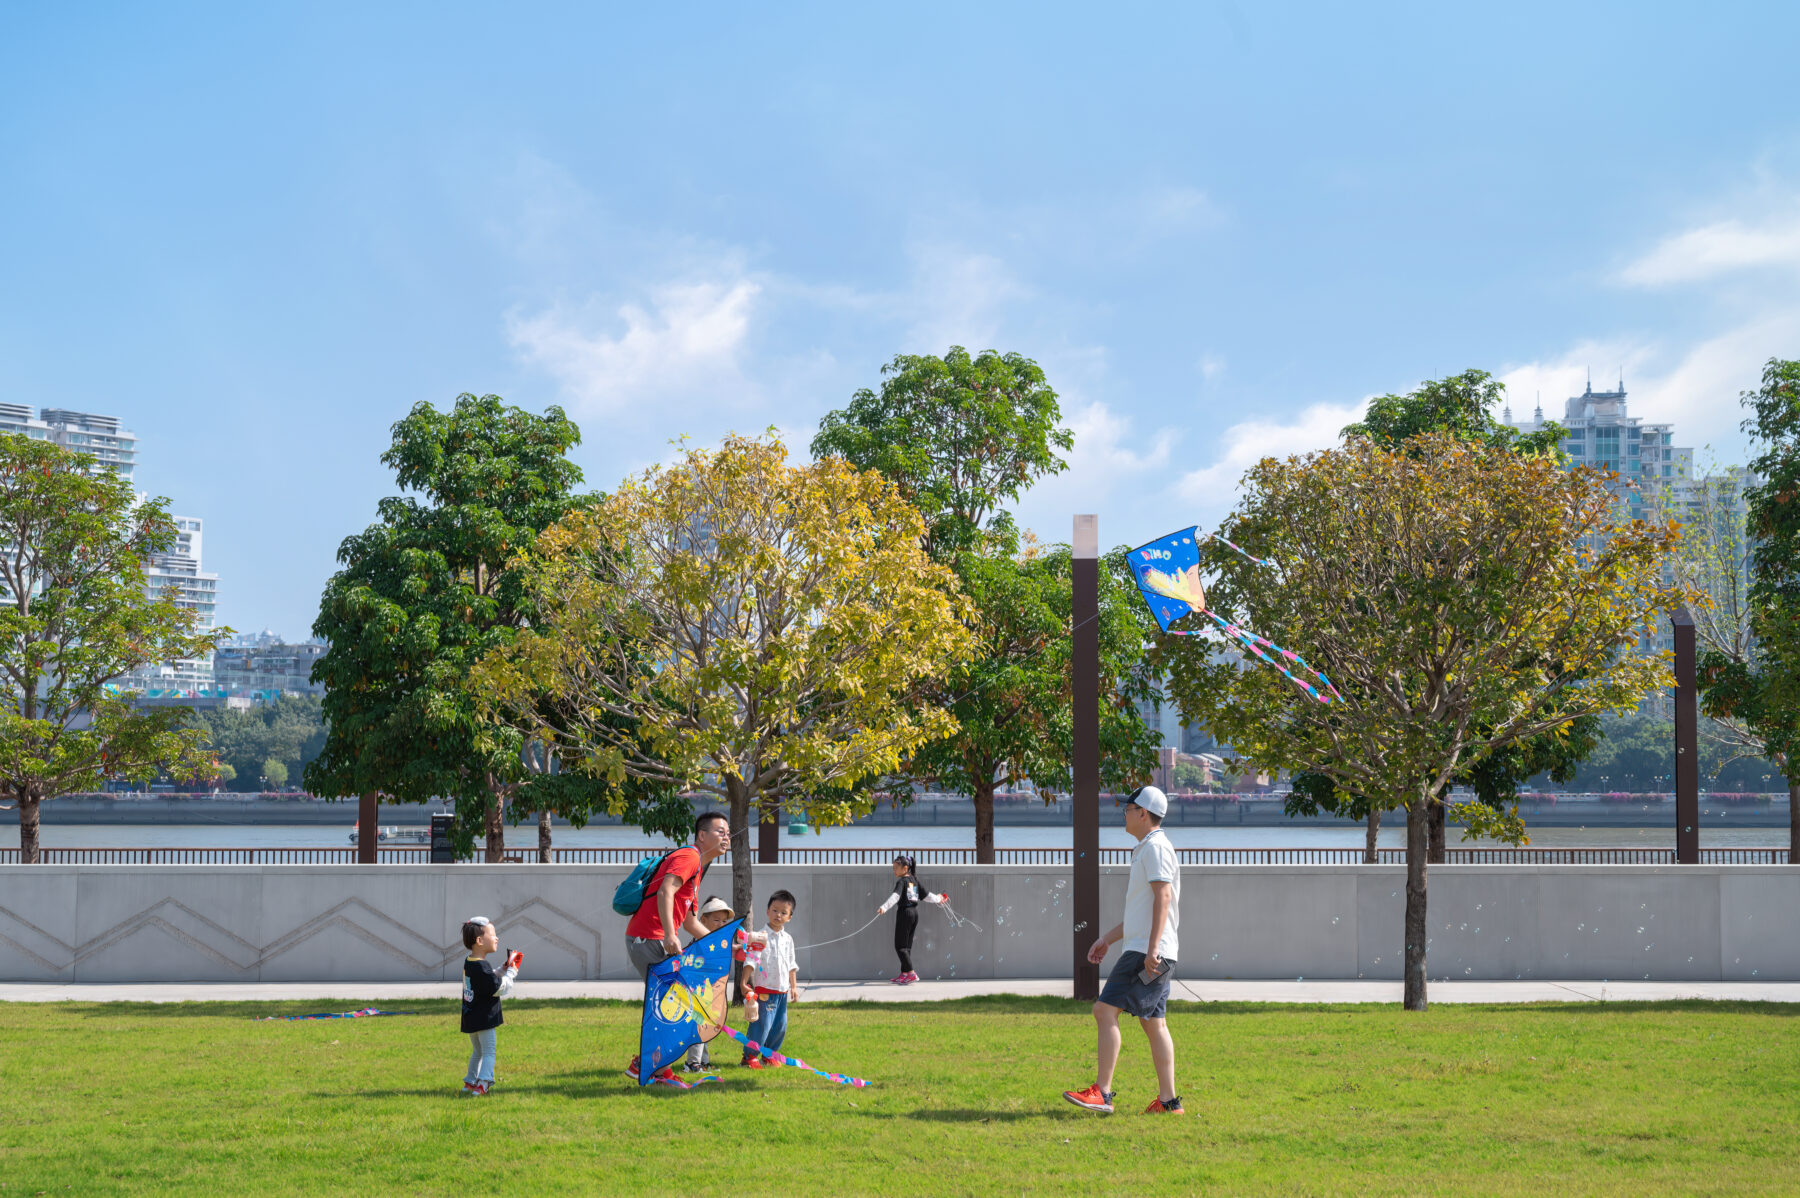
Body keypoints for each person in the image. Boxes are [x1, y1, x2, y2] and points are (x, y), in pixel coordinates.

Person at [1062, 786, 1184, 1115]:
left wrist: (1151, 949)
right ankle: (1168, 1103)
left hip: (1147, 952)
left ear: (1143, 813)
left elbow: (1163, 898)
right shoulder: (1149, 848)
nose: (1124, 813)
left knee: (1104, 1011)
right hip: (1153, 950)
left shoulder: (1155, 848)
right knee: (1153, 1022)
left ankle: (1102, 1093)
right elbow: (1142, 912)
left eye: (1128, 808)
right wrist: (1108, 939)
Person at [624, 810, 731, 1082]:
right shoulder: (690, 856)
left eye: (728, 832)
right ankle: (653, 1069)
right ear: (702, 836)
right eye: (720, 831)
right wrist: (669, 936)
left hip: (653, 937)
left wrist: (724, 944)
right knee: (674, 1005)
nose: (726, 836)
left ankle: (651, 1067)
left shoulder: (697, 870)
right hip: (649, 937)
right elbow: (665, 891)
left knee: (673, 1004)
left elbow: (691, 922)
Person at [686, 896, 760, 1072]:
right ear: (703, 920)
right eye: (716, 920)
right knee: (699, 1027)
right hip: (697, 991)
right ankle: (692, 1063)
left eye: (724, 921)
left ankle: (703, 1062)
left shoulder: (719, 941)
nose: (721, 924)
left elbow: (737, 954)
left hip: (710, 993)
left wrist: (748, 948)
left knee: (707, 1027)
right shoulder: (702, 941)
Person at [459, 916, 521, 1096]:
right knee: (488, 1052)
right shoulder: (482, 967)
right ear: (479, 941)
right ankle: (484, 1082)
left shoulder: (470, 962)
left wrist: (501, 969)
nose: (497, 938)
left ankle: (470, 1082)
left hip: (471, 1018)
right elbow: (498, 988)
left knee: (477, 1051)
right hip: (484, 1019)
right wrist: (511, 972)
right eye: (493, 934)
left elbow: (486, 981)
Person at [741, 890, 798, 1068]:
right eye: (774, 910)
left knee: (779, 1026)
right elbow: (750, 959)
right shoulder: (760, 937)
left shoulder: (788, 939)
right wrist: (743, 982)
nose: (778, 915)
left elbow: (791, 964)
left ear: (789, 917)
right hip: (765, 990)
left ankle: (770, 1054)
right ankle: (749, 1057)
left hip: (782, 991)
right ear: (767, 911)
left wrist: (793, 987)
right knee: (761, 1025)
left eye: (783, 912)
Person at [876, 854, 946, 984]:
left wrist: (884, 907)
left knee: (900, 947)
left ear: (905, 868)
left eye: (896, 868)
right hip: (914, 914)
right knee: (907, 947)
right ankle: (904, 974)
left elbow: (895, 896)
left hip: (904, 914)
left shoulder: (902, 882)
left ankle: (911, 973)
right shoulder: (914, 880)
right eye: (893, 868)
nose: (894, 870)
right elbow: (926, 896)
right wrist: (939, 899)